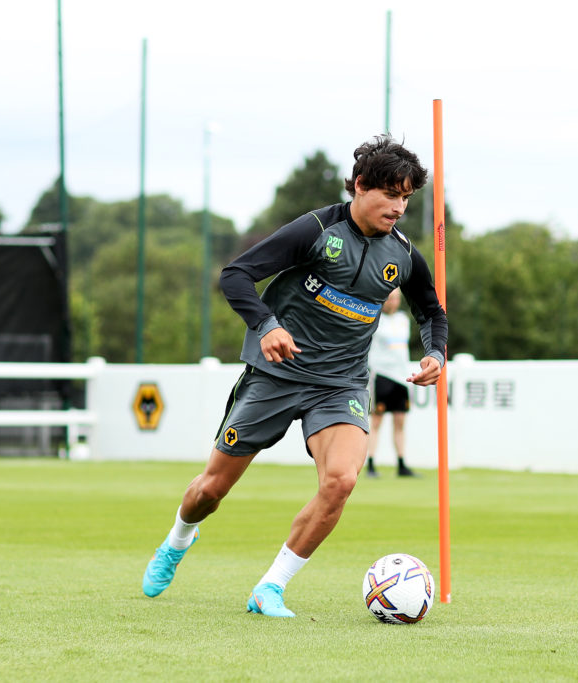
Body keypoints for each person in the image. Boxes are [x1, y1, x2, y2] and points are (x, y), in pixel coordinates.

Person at [141, 134, 448, 618]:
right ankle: (179, 538)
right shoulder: (315, 230)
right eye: (390, 194)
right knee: (211, 491)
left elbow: (431, 312)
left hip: (341, 384)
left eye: (407, 197)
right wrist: (267, 326)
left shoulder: (404, 255)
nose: (399, 207)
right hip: (276, 375)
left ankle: (270, 588)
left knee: (341, 482)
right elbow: (236, 275)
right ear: (361, 186)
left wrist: (436, 353)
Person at [366, 288, 417, 477]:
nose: (393, 302)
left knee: (400, 421)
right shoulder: (374, 319)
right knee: (377, 421)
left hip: (401, 377)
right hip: (382, 375)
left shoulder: (404, 320)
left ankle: (401, 463)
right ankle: (371, 464)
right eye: (389, 298)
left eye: (396, 298)